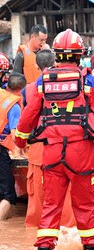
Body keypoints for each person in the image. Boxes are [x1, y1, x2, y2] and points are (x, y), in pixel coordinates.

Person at [15, 29, 94, 250]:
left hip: (52, 153)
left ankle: (45, 245)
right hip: (82, 153)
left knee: (51, 205)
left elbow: (27, 116)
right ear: (79, 54)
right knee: (85, 205)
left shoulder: (42, 82)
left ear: (56, 54)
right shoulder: (89, 81)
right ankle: (90, 245)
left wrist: (20, 142)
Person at [22, 49, 76, 228]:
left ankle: (34, 239)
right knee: (66, 197)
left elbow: (26, 121)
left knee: (37, 200)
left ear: (36, 66)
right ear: (55, 63)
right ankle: (69, 237)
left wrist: (21, 143)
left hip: (38, 149)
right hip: (66, 147)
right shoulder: (73, 84)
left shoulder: (28, 90)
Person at [0, 73, 26, 220]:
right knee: (8, 195)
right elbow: (16, 135)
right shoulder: (13, 105)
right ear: (21, 90)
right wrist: (20, 150)